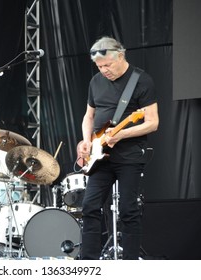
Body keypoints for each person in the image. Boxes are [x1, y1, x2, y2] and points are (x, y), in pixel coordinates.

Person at [78, 37, 159, 260]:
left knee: (128, 210)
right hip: (99, 156)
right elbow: (89, 115)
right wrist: (86, 140)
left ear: (120, 56)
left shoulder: (141, 81)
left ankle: (129, 265)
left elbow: (152, 122)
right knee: (90, 207)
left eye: (108, 65)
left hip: (129, 156)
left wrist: (122, 133)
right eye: (99, 66)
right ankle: (89, 263)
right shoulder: (95, 81)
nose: (104, 70)